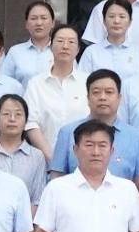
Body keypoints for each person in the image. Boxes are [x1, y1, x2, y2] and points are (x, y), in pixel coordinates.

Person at [48, 70, 139, 204]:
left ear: (119, 98)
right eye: (96, 92)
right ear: (88, 98)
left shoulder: (136, 137)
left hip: (121, 211)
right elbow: (57, 178)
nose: (102, 97)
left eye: (109, 92)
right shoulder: (67, 133)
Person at [23, 23, 90, 155]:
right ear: (51, 46)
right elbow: (31, 122)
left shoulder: (88, 82)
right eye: (60, 41)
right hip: (45, 157)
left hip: (83, 158)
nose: (65, 46)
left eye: (71, 42)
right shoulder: (36, 83)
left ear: (78, 49)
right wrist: (50, 156)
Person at [0, 94, 48, 208]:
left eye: (18, 114)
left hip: (26, 217)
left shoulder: (37, 156)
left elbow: (38, 200)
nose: (12, 119)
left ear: (26, 122)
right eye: (6, 114)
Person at [80, 0, 139, 89]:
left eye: (122, 17)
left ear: (130, 22)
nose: (116, 21)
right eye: (111, 16)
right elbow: (82, 84)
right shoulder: (91, 52)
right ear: (104, 21)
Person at [1, 1, 57, 85]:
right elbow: (4, 82)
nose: (39, 23)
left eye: (44, 18)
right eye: (33, 18)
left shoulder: (62, 50)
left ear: (53, 23)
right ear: (26, 24)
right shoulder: (15, 52)